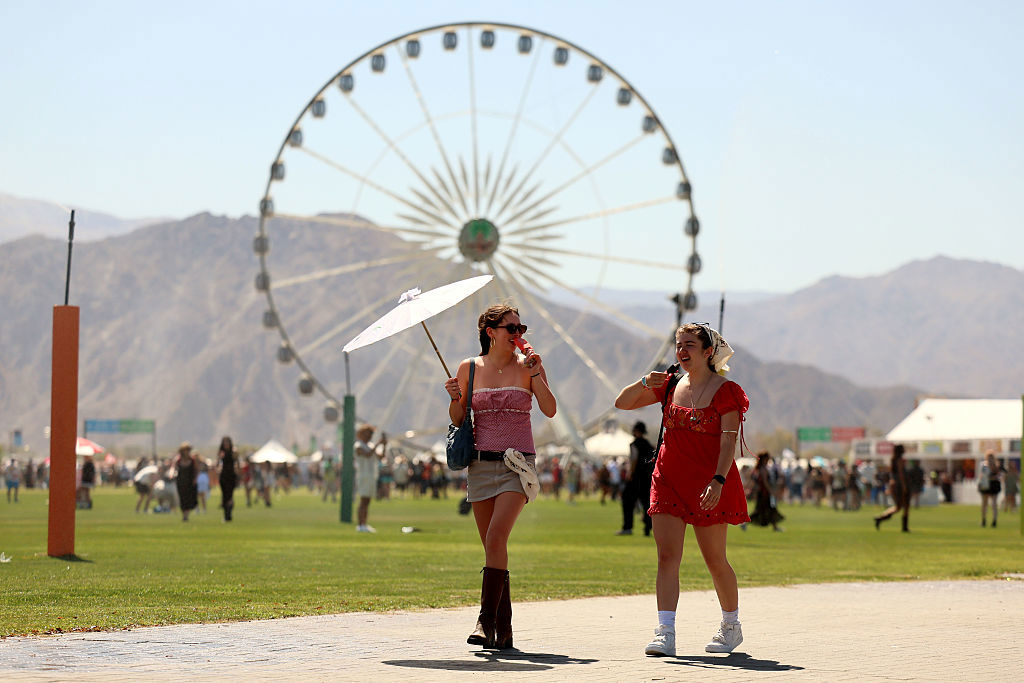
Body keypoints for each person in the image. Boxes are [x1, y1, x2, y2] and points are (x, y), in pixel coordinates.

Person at [615, 322, 749, 657]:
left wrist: (719, 480)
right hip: (668, 479)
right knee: (667, 557)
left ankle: (730, 626)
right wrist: (645, 381)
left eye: (689, 344)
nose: (682, 351)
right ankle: (665, 632)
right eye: (678, 344)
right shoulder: (669, 384)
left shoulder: (726, 391)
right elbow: (623, 402)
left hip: (709, 484)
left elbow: (728, 441)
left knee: (715, 559)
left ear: (708, 352)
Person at [443, 303, 556, 650]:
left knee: (495, 538)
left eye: (521, 329)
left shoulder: (528, 367)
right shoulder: (469, 368)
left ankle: (485, 620)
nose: (518, 335)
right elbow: (459, 419)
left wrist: (537, 374)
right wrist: (455, 398)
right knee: (495, 547)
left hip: (517, 466)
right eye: (511, 329)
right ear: (490, 332)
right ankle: (503, 631)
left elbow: (550, 409)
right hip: (479, 465)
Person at [618, 421, 655, 536]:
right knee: (647, 504)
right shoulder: (649, 445)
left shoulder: (634, 444)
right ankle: (648, 527)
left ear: (636, 431)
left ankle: (627, 527)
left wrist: (630, 473)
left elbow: (634, 459)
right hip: (647, 478)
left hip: (636, 477)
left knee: (627, 501)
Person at [354, 424, 387, 532]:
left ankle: (364, 523)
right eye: (369, 433)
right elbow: (367, 455)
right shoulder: (358, 445)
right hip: (363, 475)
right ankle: (360, 524)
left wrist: (384, 445)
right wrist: (378, 444)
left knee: (367, 501)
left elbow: (381, 457)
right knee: (363, 500)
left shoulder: (371, 445)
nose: (370, 436)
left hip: (372, 475)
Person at [874, 444, 910, 532]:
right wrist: (904, 486)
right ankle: (903, 527)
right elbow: (901, 474)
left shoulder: (892, 460)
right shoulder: (900, 460)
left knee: (899, 507)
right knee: (903, 506)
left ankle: (881, 518)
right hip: (900, 485)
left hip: (894, 484)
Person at [750, 452, 784, 531]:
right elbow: (765, 483)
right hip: (764, 493)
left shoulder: (761, 468)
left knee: (770, 509)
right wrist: (771, 491)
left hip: (763, 493)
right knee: (765, 509)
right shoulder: (763, 469)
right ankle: (744, 523)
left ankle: (775, 527)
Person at [174, 443, 199, 522]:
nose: (187, 452)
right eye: (185, 450)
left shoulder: (192, 460)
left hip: (190, 483)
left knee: (189, 499)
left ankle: (186, 515)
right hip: (180, 482)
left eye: (188, 450)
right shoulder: (178, 460)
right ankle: (184, 514)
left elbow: (196, 470)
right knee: (182, 499)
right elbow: (174, 469)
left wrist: (195, 479)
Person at [977, 450, 1002, 528]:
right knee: (986, 504)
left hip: (992, 485)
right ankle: (985, 520)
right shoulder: (985, 466)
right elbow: (981, 476)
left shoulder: (995, 466)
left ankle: (992, 520)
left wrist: (990, 477)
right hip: (987, 485)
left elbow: (998, 476)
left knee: (991, 504)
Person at [217, 436, 238, 522]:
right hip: (223, 476)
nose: (226, 444)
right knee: (225, 496)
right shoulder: (221, 453)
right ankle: (226, 514)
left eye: (227, 442)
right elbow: (218, 463)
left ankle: (229, 513)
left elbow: (237, 462)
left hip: (231, 476)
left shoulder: (234, 451)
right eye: (224, 442)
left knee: (230, 495)